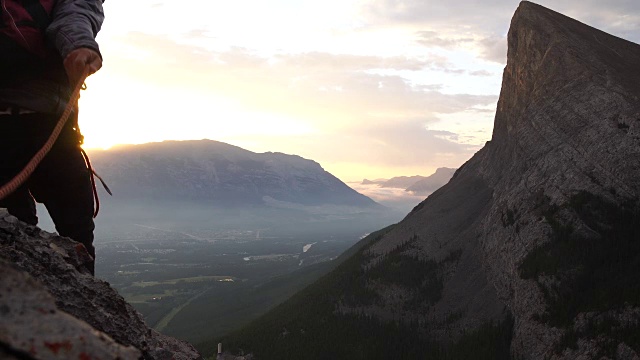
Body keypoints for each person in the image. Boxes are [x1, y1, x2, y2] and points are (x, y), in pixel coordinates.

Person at [0, 0, 105, 275]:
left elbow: (76, 10)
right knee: (74, 232)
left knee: (21, 232)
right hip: (51, 123)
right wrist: (78, 44)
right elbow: (77, 10)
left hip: (49, 126)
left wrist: (79, 44)